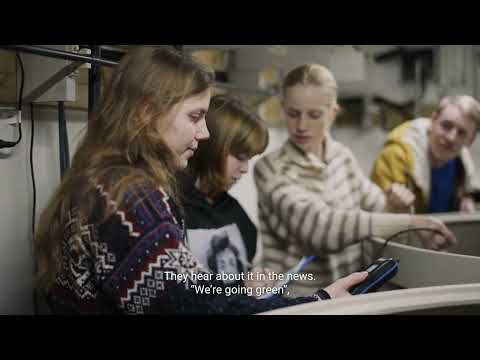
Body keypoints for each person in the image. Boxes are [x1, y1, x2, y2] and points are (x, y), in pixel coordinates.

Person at [33, 46, 368, 315]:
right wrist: (318, 302)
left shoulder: (102, 181)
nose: (204, 133)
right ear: (148, 112)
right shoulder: (130, 198)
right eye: (194, 117)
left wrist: (240, 287)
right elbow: (192, 305)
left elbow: (184, 289)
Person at [253, 63, 457, 297]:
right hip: (297, 302)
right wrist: (410, 221)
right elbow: (320, 230)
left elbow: (376, 207)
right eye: (293, 113)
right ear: (283, 109)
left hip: (349, 299)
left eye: (314, 115)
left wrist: (394, 206)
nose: (301, 125)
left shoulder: (342, 157)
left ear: (333, 113)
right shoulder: (269, 169)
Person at [182, 94, 274, 295]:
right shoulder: (170, 208)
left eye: (249, 158)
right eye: (240, 157)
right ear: (211, 147)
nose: (245, 169)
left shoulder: (238, 216)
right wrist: (240, 289)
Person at [371, 95, 480, 214]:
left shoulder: (462, 162)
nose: (451, 137)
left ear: (471, 140)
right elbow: (378, 216)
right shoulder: (396, 155)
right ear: (433, 120)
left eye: (462, 133)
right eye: (446, 126)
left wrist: (465, 201)